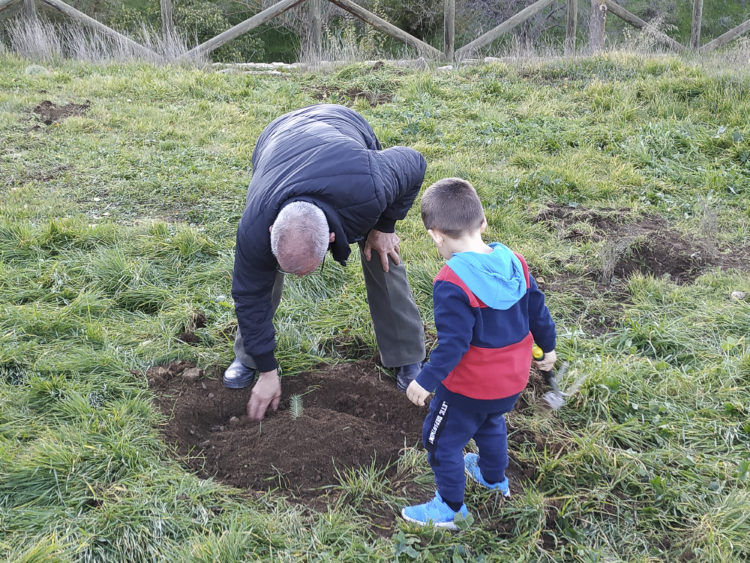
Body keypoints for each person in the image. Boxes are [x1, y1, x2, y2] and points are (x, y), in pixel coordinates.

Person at [225, 104, 427, 420]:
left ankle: (407, 354)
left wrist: (384, 226)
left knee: (381, 251)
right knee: (258, 281)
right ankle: (250, 357)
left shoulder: (370, 185)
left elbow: (414, 162)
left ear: (333, 238)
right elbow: (248, 296)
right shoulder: (254, 225)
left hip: (344, 128)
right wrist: (267, 370)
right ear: (270, 229)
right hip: (277, 136)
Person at [400, 178, 557, 529]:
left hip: (468, 387)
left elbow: (454, 344)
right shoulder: (515, 262)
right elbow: (538, 312)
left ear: (436, 235)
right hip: (511, 382)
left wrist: (425, 380)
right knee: (490, 423)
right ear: (483, 222)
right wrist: (548, 346)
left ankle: (451, 508)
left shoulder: (451, 282)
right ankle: (492, 477)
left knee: (439, 440)